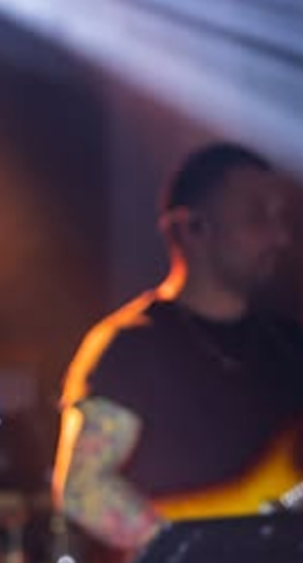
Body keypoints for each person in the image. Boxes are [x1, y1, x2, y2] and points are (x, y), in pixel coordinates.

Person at [52, 143, 301, 563]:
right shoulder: (130, 344)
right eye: (257, 216)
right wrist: (196, 549)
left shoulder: (290, 343)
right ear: (193, 228)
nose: (281, 237)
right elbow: (82, 488)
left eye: (282, 218)